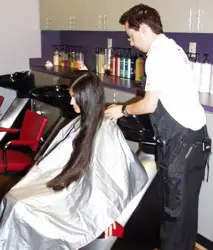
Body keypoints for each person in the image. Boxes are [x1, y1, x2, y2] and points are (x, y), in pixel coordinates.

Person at [0, 72, 148, 250]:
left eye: (73, 98)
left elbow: (108, 178)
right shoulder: (81, 122)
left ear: (86, 98)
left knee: (21, 209)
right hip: (68, 185)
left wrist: (106, 215)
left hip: (79, 197)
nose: (70, 103)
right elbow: (56, 159)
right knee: (13, 198)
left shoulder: (105, 129)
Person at [105, 4, 211, 250]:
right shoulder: (172, 48)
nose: (131, 42)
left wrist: (121, 110)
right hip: (195, 143)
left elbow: (150, 104)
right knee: (185, 215)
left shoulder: (158, 54)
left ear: (142, 28)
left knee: (174, 216)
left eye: (130, 36)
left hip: (181, 147)